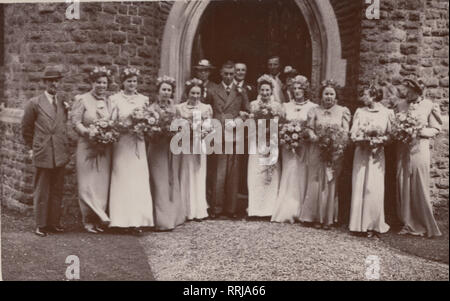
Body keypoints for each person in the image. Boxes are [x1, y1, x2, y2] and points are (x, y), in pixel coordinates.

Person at [21, 65, 70, 237]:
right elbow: (26, 129)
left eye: (57, 81)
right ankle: (40, 224)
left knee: (57, 188)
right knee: (42, 188)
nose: (54, 84)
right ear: (45, 83)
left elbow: (63, 124)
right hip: (43, 151)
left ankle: (53, 223)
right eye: (51, 81)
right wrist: (31, 148)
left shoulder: (63, 102)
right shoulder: (34, 103)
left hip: (60, 150)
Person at [299, 80, 351, 230]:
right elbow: (308, 128)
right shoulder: (314, 111)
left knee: (330, 181)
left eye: (331, 94)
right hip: (317, 149)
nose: (328, 97)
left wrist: (337, 142)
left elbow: (345, 131)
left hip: (334, 151)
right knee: (315, 180)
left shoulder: (343, 111)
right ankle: (313, 216)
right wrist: (314, 136)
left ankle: (328, 218)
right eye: (326, 93)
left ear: (336, 96)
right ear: (321, 95)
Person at [109, 67, 154, 234]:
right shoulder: (115, 99)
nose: (132, 84)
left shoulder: (143, 99)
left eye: (134, 81)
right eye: (129, 81)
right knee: (122, 177)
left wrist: (142, 125)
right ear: (123, 82)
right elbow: (112, 122)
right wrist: (125, 125)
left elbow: (150, 120)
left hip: (138, 144)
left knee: (137, 179)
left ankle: (138, 220)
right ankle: (120, 220)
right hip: (122, 144)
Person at [395, 78, 442, 237]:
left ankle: (423, 223)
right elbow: (395, 126)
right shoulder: (400, 105)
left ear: (415, 90)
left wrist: (419, 131)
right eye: (403, 91)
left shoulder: (428, 105)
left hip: (419, 148)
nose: (404, 93)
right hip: (403, 148)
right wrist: (401, 131)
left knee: (419, 183)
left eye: (407, 91)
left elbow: (436, 128)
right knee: (404, 183)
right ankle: (407, 223)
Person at [71, 66, 114, 233]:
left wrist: (109, 133)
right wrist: (88, 132)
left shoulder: (109, 101)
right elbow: (75, 122)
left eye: (104, 82)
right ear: (92, 82)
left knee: (101, 183)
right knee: (86, 183)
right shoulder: (81, 99)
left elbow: (113, 121)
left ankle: (99, 217)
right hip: (86, 146)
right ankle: (88, 219)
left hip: (105, 147)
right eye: (98, 82)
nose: (102, 85)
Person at [271, 75, 317, 223]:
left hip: (304, 147)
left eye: (300, 88)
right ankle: (287, 210)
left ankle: (302, 210)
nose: (297, 91)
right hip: (288, 147)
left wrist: (303, 136)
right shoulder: (286, 106)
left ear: (305, 90)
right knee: (289, 174)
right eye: (295, 88)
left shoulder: (312, 107)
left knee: (302, 175)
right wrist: (286, 135)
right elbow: (280, 125)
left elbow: (312, 128)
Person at [348, 85, 392, 237]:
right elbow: (353, 132)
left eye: (365, 95)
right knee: (359, 184)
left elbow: (391, 135)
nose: (362, 98)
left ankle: (372, 225)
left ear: (373, 96)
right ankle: (357, 224)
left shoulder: (386, 113)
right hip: (361, 153)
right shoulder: (360, 112)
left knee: (373, 188)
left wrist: (380, 141)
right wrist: (360, 140)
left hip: (376, 155)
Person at [209, 61, 250, 219]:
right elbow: (207, 111)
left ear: (235, 75)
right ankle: (216, 208)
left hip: (234, 135)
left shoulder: (241, 91)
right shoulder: (213, 90)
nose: (228, 77)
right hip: (218, 133)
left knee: (233, 172)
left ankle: (231, 209)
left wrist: (238, 120)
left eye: (231, 74)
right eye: (225, 74)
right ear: (220, 73)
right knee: (219, 172)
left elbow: (247, 110)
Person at [148, 76, 186, 231]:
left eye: (169, 90)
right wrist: (157, 131)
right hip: (157, 148)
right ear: (158, 91)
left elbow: (181, 125)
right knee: (159, 182)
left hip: (171, 148)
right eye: (163, 89)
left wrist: (178, 130)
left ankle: (174, 217)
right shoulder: (151, 109)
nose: (166, 92)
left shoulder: (175, 109)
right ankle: (160, 220)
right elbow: (148, 130)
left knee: (172, 180)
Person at [175, 78, 213, 221]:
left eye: (198, 93)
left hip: (199, 145)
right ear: (187, 93)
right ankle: (185, 210)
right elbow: (177, 125)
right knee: (185, 173)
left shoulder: (206, 108)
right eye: (192, 93)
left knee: (198, 173)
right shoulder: (180, 108)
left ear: (202, 93)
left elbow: (209, 125)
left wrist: (203, 132)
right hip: (185, 145)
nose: (195, 96)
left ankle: (198, 210)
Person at [247, 75, 284, 218]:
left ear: (271, 91)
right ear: (259, 90)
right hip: (256, 143)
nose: (265, 93)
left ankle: (269, 210)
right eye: (262, 90)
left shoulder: (277, 106)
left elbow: (280, 124)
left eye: (267, 90)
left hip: (271, 143)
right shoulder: (253, 105)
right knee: (256, 173)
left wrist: (271, 132)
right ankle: (255, 209)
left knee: (270, 174)